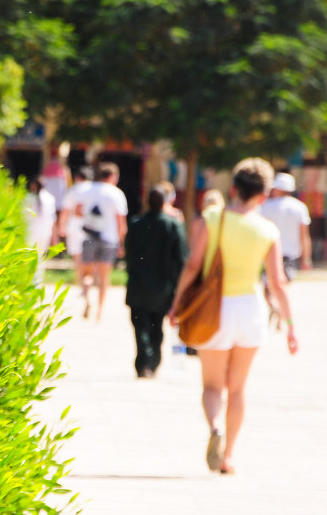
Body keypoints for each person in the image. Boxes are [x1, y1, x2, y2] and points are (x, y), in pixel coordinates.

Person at [167, 158, 299, 475]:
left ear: (234, 188)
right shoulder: (268, 230)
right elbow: (277, 283)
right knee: (237, 389)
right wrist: (291, 326)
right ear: (264, 195)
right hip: (250, 310)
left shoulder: (212, 218)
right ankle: (229, 457)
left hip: (216, 309)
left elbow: (193, 265)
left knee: (212, 386)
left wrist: (175, 305)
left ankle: (215, 428)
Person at [125, 185, 188, 377]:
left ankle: (144, 362)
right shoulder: (173, 225)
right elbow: (181, 258)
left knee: (140, 326)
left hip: (138, 285)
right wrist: (179, 287)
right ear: (165, 203)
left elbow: (128, 253)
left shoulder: (136, 224)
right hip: (163, 288)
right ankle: (152, 362)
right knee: (156, 326)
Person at [73, 162, 128, 320]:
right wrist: (122, 243)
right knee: (104, 278)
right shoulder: (116, 194)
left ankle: (87, 297)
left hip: (89, 237)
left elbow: (77, 212)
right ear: (112, 176)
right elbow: (121, 223)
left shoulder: (88, 189)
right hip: (108, 240)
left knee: (87, 274)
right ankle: (99, 312)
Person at [259, 172, 312, 279]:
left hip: (269, 254)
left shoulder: (266, 206)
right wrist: (306, 258)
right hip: (291, 257)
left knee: (268, 287)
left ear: (279, 189)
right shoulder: (300, 208)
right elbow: (304, 235)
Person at [59, 165, 96, 311]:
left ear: (77, 177)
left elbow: (66, 210)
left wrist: (61, 226)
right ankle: (88, 286)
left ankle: (84, 289)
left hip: (75, 227)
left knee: (78, 260)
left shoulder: (73, 190)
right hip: (91, 228)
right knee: (90, 264)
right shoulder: (94, 189)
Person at [22, 177, 56, 284]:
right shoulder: (50, 198)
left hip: (31, 232)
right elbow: (52, 220)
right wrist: (55, 236)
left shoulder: (28, 198)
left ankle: (29, 281)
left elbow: (22, 216)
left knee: (29, 257)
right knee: (40, 258)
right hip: (45, 232)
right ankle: (38, 282)